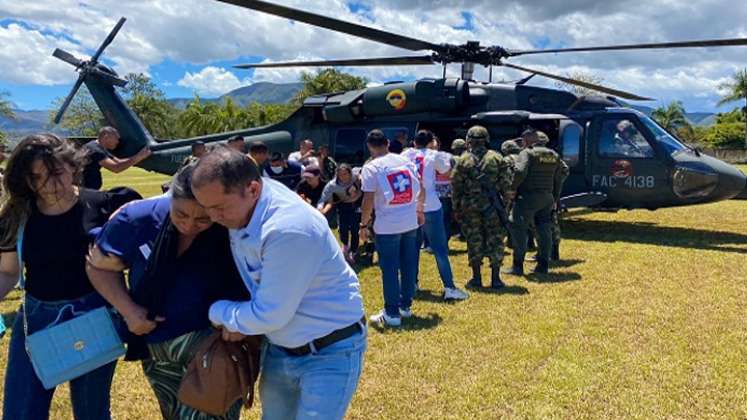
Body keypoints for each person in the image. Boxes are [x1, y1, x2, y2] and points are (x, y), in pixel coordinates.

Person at [189, 146, 366, 420]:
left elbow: (270, 314)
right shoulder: (247, 205)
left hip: (329, 352)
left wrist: (219, 313)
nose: (213, 218)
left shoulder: (288, 228)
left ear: (253, 189)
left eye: (219, 208)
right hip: (281, 349)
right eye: (207, 208)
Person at [86, 163, 251, 420]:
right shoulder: (137, 218)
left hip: (213, 345)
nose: (190, 225)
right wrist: (129, 312)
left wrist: (243, 318)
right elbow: (99, 267)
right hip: (155, 344)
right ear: (169, 197)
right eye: (181, 214)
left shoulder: (232, 225)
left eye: (202, 218)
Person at [0, 134, 133, 419]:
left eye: (56, 172)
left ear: (73, 166)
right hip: (37, 319)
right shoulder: (17, 215)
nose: (49, 184)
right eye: (37, 177)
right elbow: (8, 272)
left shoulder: (105, 206)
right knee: (21, 411)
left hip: (94, 317)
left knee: (91, 412)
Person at [360, 129, 424, 327]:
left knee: (389, 269)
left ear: (369, 146)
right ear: (387, 143)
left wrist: (363, 224)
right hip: (410, 220)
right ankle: (405, 306)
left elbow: (368, 199)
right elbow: (420, 186)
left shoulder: (371, 168)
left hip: (388, 225)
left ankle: (392, 312)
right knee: (408, 265)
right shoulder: (404, 160)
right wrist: (419, 209)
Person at [402, 130, 468, 301]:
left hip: (410, 206)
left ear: (414, 142)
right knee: (440, 249)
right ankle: (449, 287)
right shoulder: (434, 155)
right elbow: (447, 173)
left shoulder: (406, 154)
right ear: (431, 142)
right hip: (430, 204)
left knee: (412, 248)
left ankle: (411, 284)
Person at [452, 126, 512, 289]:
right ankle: (496, 279)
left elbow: (456, 187)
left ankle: (476, 278)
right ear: (486, 139)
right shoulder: (497, 158)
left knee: (474, 240)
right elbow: (506, 186)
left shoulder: (462, 160)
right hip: (493, 207)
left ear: (469, 141)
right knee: (495, 240)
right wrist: (505, 207)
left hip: (469, 207)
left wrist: (456, 208)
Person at [505, 129, 565, 275]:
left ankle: (517, 266)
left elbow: (520, 171)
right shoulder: (553, 155)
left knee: (518, 227)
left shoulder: (527, 153)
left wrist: (512, 188)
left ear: (526, 141)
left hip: (528, 198)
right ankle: (543, 266)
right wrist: (555, 197)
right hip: (547, 198)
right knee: (544, 230)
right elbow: (559, 177)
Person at [527, 131, 569, 261]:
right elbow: (564, 170)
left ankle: (544, 254)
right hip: (549, 193)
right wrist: (555, 185)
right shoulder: (552, 155)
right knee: (551, 222)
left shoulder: (532, 154)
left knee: (538, 223)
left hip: (536, 194)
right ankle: (553, 253)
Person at [82, 126, 151, 190]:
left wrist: (139, 156)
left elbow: (118, 161)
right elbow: (116, 168)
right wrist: (139, 156)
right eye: (116, 138)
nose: (117, 142)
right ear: (106, 137)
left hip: (88, 189)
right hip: (85, 190)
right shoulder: (95, 150)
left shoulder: (98, 147)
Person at [318, 164, 362, 263]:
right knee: (343, 229)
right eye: (340, 175)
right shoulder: (332, 185)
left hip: (356, 205)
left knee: (355, 229)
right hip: (343, 206)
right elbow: (323, 198)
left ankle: (354, 251)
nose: (343, 177)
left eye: (345, 174)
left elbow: (361, 169)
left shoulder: (355, 176)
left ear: (350, 173)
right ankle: (345, 246)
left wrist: (361, 176)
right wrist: (320, 209)